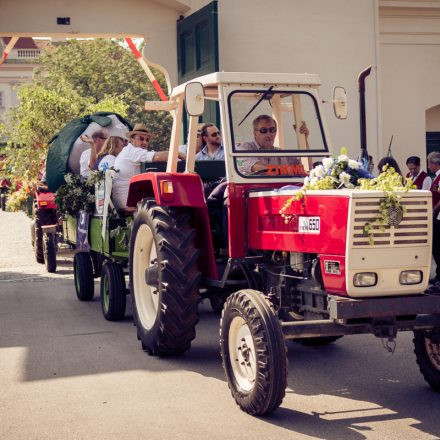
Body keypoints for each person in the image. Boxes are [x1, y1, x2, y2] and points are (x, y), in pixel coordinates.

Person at [112, 123, 184, 209]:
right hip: (127, 201)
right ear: (132, 139)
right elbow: (157, 157)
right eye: (141, 139)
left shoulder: (132, 151)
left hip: (126, 198)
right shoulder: (133, 152)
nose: (145, 143)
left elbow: (157, 155)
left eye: (147, 140)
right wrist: (179, 154)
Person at [236, 114, 309, 175]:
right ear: (255, 133)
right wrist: (283, 170)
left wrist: (304, 139)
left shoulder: (282, 155)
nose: (269, 134)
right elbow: (255, 166)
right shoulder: (244, 148)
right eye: (263, 130)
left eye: (272, 130)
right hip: (254, 190)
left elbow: (306, 167)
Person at [427, 152, 440, 288]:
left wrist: (434, 210)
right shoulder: (436, 177)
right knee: (436, 248)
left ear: (435, 164)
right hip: (436, 216)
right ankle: (438, 274)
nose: (429, 166)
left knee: (438, 247)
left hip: (438, 217)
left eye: (430, 163)